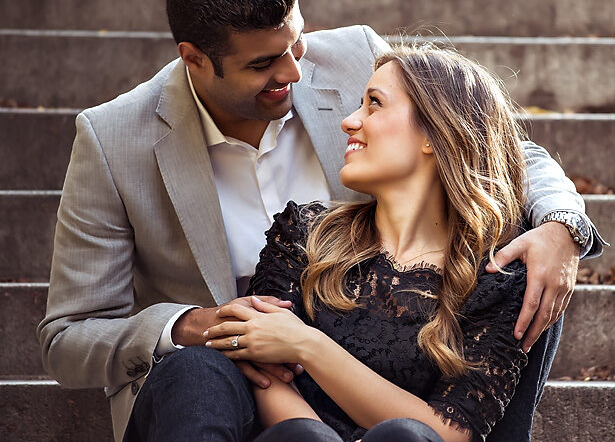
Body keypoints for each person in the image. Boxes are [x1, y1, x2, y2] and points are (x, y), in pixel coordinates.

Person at [37, 0, 605, 442]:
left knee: (526, 267)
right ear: (195, 60)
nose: (293, 73)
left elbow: (484, 140)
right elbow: (68, 338)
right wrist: (186, 325)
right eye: (263, 63)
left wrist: (562, 226)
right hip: (233, 391)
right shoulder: (114, 139)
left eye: (297, 43)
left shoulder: (357, 56)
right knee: (196, 370)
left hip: (391, 376)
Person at [204, 45, 541, 442]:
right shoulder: (304, 234)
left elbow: (447, 434)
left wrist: (307, 344)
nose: (349, 122)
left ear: (434, 133)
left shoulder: (496, 281)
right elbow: (266, 374)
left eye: (374, 105)